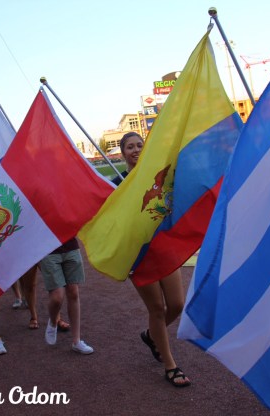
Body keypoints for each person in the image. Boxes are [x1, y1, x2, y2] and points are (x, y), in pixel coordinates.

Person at [111, 132, 190, 387]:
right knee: (156, 309)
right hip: (138, 254)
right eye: (130, 147)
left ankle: (151, 336)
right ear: (122, 153)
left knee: (177, 304)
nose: (135, 150)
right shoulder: (117, 182)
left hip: (163, 248)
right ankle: (170, 365)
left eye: (139, 145)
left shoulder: (159, 175)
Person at [41, 237, 93, 354]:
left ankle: (76, 341)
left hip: (71, 246)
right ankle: (54, 321)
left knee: (73, 292)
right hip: (49, 250)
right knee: (57, 297)